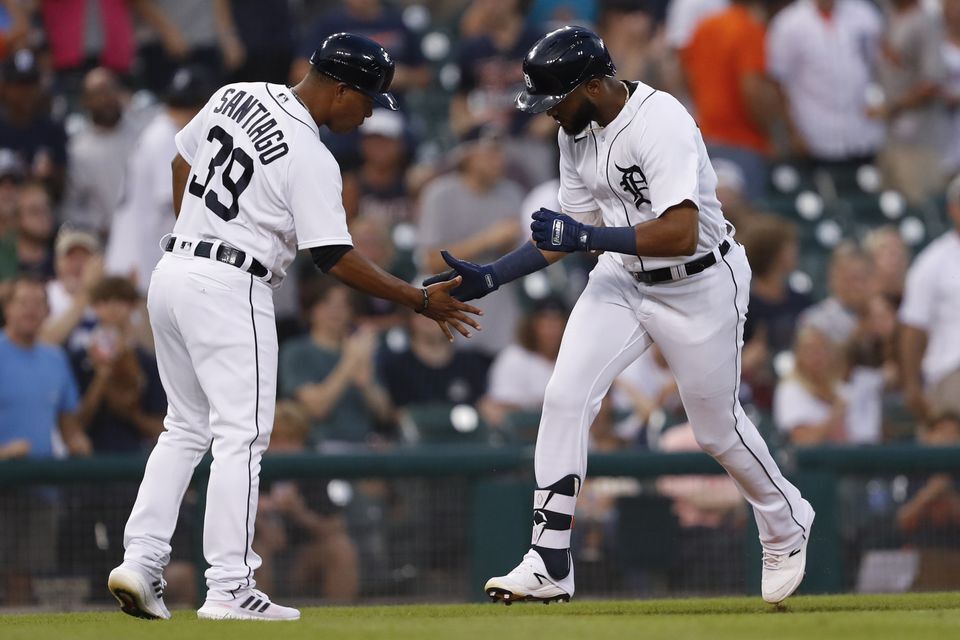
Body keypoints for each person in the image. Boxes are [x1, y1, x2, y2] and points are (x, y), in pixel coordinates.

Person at [424, 26, 815, 605]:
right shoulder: (575, 130)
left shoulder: (662, 122)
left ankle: (786, 518)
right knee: (563, 397)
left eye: (555, 100)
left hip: (701, 280)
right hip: (623, 278)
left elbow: (680, 233)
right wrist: (493, 275)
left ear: (592, 84)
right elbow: (566, 233)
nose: (549, 115)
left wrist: (586, 234)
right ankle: (548, 560)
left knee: (714, 428)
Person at [107, 32, 481, 622]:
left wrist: (199, 233)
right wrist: (416, 298)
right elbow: (333, 256)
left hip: (173, 270)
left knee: (184, 427)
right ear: (338, 89)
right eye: (366, 99)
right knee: (242, 436)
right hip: (230, 286)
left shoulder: (237, 93)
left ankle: (142, 560)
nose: (366, 114)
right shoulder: (310, 154)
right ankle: (229, 586)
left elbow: (182, 160)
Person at [899, 174, 960, 423]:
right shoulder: (933, 261)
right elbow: (913, 327)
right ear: (953, 209)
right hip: (952, 370)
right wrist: (912, 386)